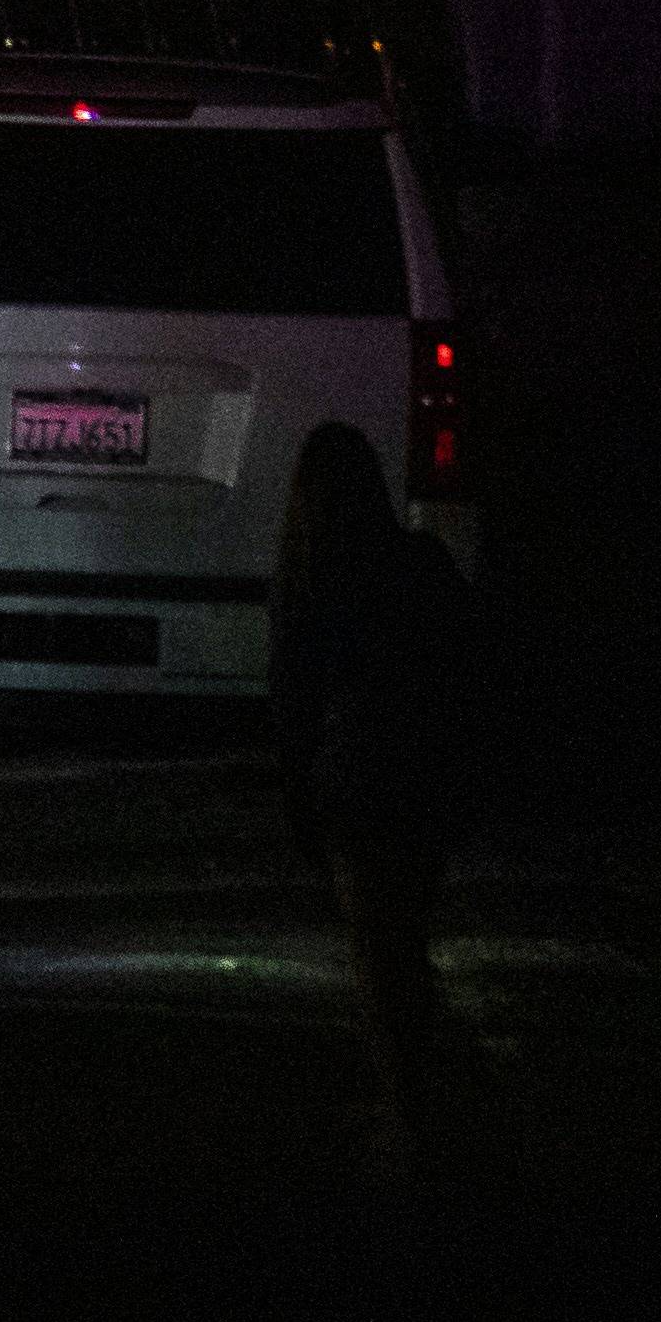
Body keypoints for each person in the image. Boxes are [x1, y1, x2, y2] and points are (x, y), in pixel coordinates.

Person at [270, 421, 494, 1173]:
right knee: (408, 943)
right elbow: (469, 665)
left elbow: (293, 703)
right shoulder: (420, 562)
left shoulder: (311, 578)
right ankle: (415, 1101)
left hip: (356, 785)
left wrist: (297, 800)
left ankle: (406, 1113)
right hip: (423, 776)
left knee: (377, 953)